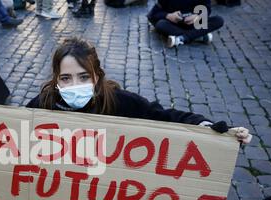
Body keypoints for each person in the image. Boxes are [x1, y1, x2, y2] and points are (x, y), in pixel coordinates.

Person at [25, 38, 252, 146]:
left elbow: (165, 117)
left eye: (83, 77)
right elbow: (12, 132)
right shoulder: (43, 104)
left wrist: (208, 129)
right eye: (66, 78)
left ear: (96, 76)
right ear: (56, 80)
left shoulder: (120, 102)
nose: (75, 84)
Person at [147, 0, 224, 48]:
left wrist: (197, 16)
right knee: (161, 25)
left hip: (194, 23)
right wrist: (168, 16)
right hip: (174, 24)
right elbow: (153, 14)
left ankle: (182, 38)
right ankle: (198, 35)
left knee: (218, 20)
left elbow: (207, 9)